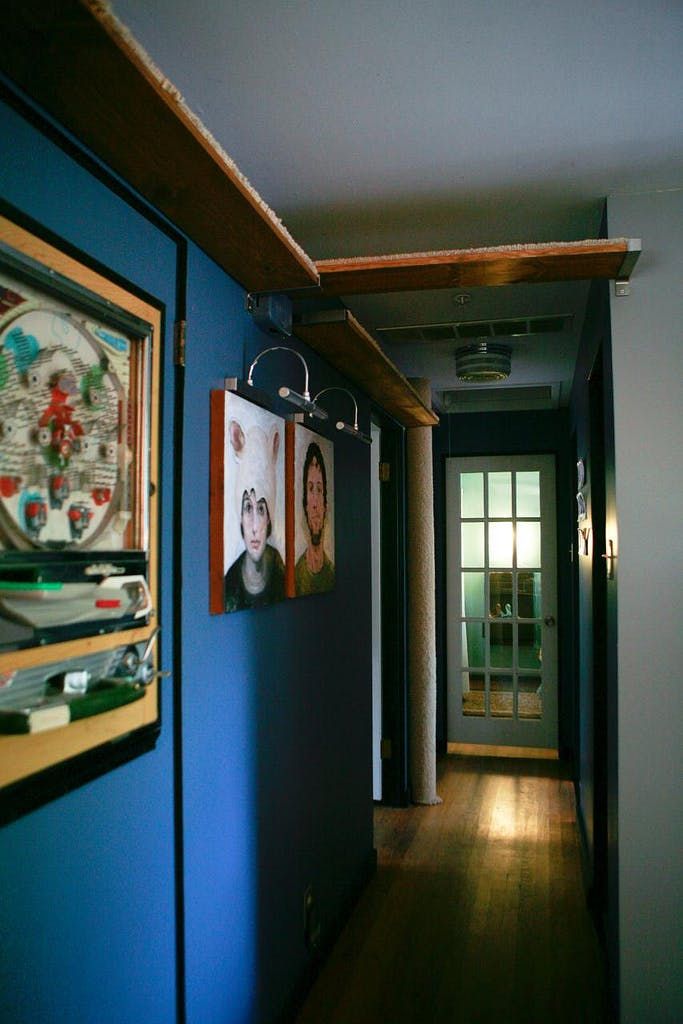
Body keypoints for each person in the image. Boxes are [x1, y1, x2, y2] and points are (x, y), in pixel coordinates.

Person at [224, 418, 285, 612]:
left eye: (260, 509)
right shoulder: (229, 584)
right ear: (240, 516)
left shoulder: (283, 574)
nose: (255, 526)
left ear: (269, 517)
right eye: (248, 509)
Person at [295, 441, 335, 596]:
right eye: (311, 489)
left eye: (319, 490)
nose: (315, 503)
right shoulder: (296, 576)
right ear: (305, 504)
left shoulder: (331, 574)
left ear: (325, 505)